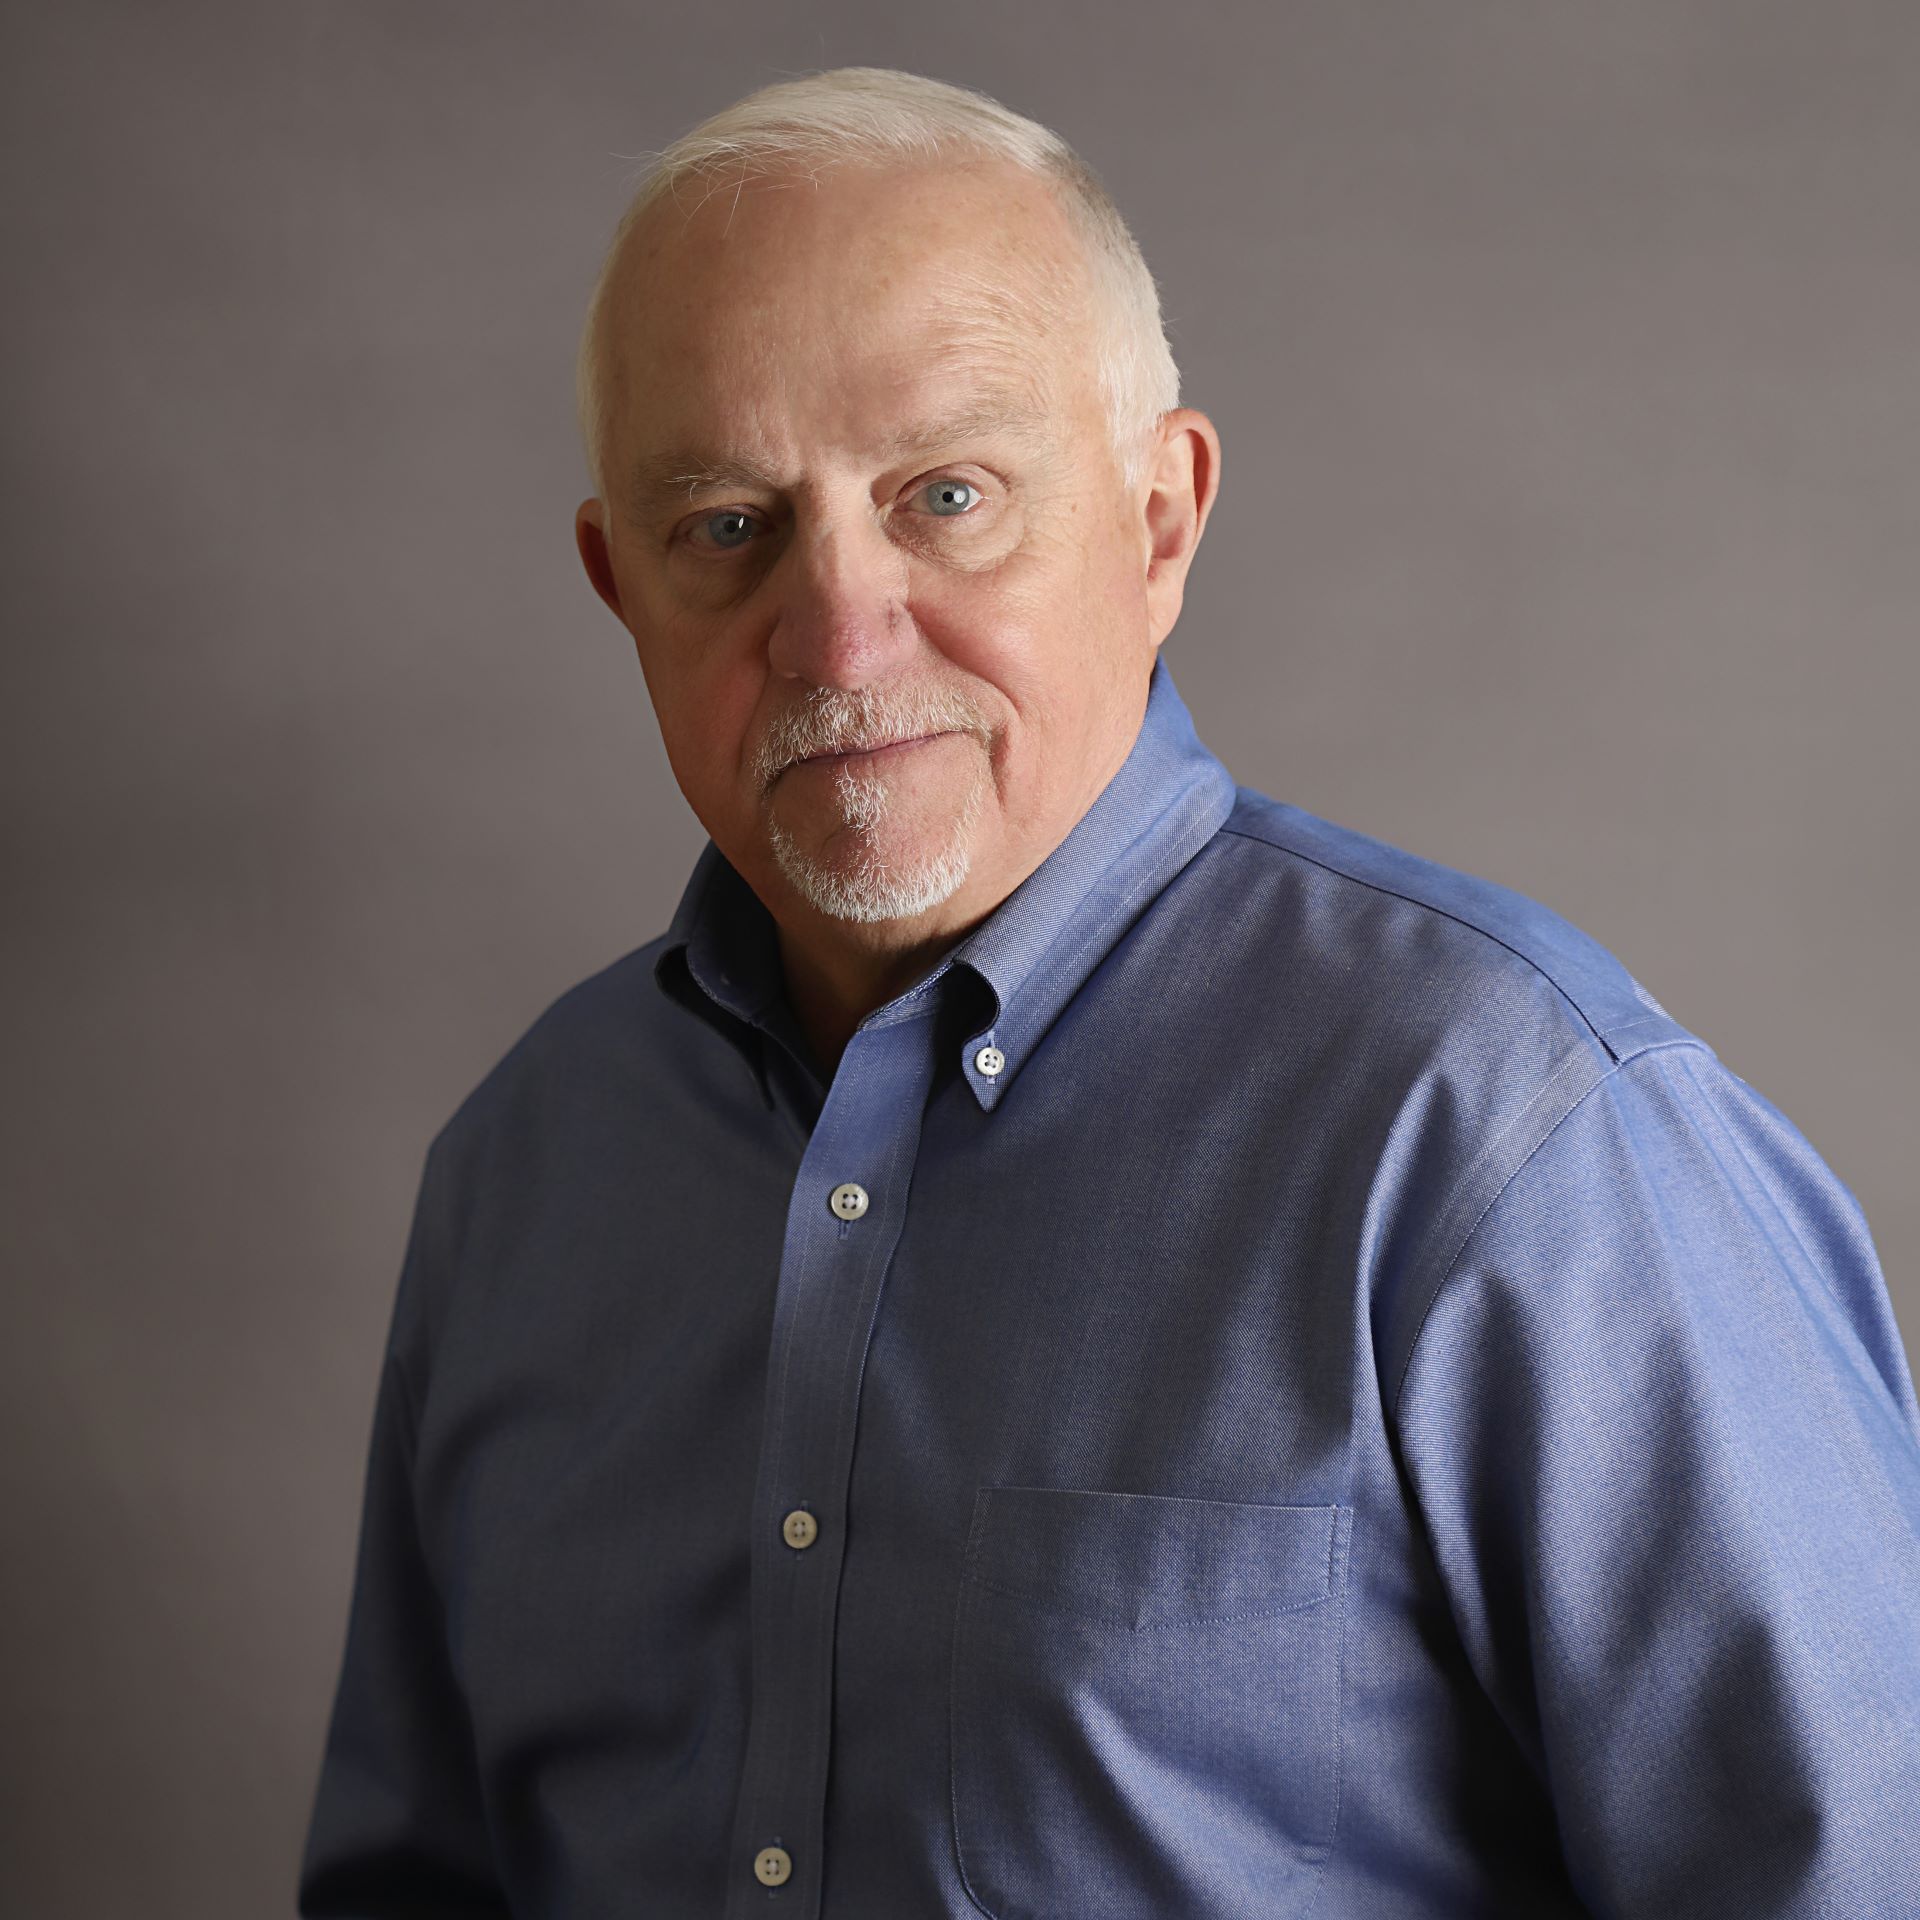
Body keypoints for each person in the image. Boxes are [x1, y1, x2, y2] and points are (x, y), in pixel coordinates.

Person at [297, 65, 1920, 1920]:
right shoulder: (522, 1175)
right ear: (619, 585)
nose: (839, 632)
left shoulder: (1510, 1130)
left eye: (948, 496)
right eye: (731, 525)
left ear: (1162, 522)